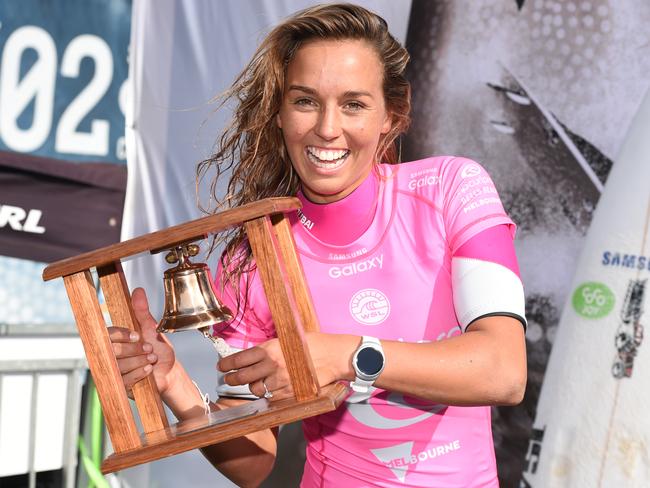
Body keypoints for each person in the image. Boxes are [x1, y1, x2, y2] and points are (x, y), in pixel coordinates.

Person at [109, 3, 527, 487]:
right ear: (280, 114)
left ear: (392, 115)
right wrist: (172, 383)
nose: (328, 128)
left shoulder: (451, 189)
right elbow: (252, 463)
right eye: (305, 101)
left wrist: (346, 355)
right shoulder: (254, 258)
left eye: (354, 104)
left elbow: (504, 370)